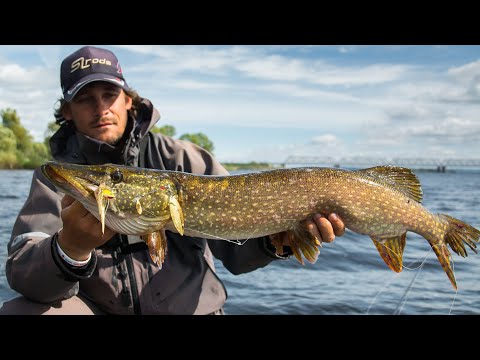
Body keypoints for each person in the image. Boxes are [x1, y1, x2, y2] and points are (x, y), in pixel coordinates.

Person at [0, 46, 345, 315]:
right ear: (67, 111)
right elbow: (23, 273)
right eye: (85, 99)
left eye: (109, 95)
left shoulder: (183, 159)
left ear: (128, 100)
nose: (100, 108)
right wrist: (70, 249)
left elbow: (237, 255)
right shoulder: (56, 180)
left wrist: (276, 240)